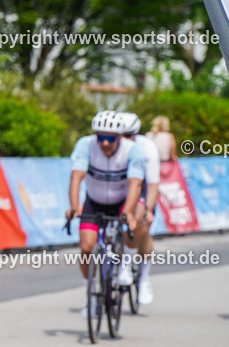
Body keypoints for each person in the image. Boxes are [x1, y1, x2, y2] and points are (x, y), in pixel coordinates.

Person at [65, 110, 146, 316]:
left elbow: (136, 183)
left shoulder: (132, 150)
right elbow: (76, 176)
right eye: (101, 137)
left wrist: (128, 211)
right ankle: (91, 292)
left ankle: (126, 265)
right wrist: (74, 205)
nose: (105, 143)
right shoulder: (86, 145)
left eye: (110, 138)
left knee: (135, 225)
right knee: (85, 248)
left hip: (122, 201)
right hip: (95, 202)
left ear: (119, 137)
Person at [117, 112, 160, 305]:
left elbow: (152, 185)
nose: (123, 140)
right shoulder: (110, 146)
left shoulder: (147, 147)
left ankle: (143, 278)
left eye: (128, 136)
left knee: (142, 226)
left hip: (142, 188)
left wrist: (149, 210)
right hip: (118, 186)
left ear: (136, 134)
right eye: (120, 135)